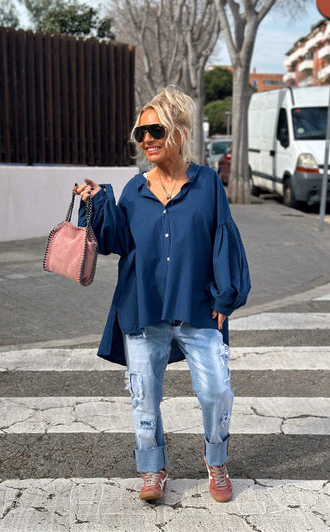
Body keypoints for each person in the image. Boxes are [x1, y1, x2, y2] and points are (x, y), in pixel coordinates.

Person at [74, 85, 250, 503]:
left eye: (155, 130)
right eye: (140, 133)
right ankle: (153, 470)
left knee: (216, 390)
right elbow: (116, 241)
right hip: (142, 308)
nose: (147, 139)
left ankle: (216, 460)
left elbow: (223, 239)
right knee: (144, 395)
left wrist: (226, 297)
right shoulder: (133, 190)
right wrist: (96, 204)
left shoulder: (207, 184)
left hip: (198, 307)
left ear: (178, 132)